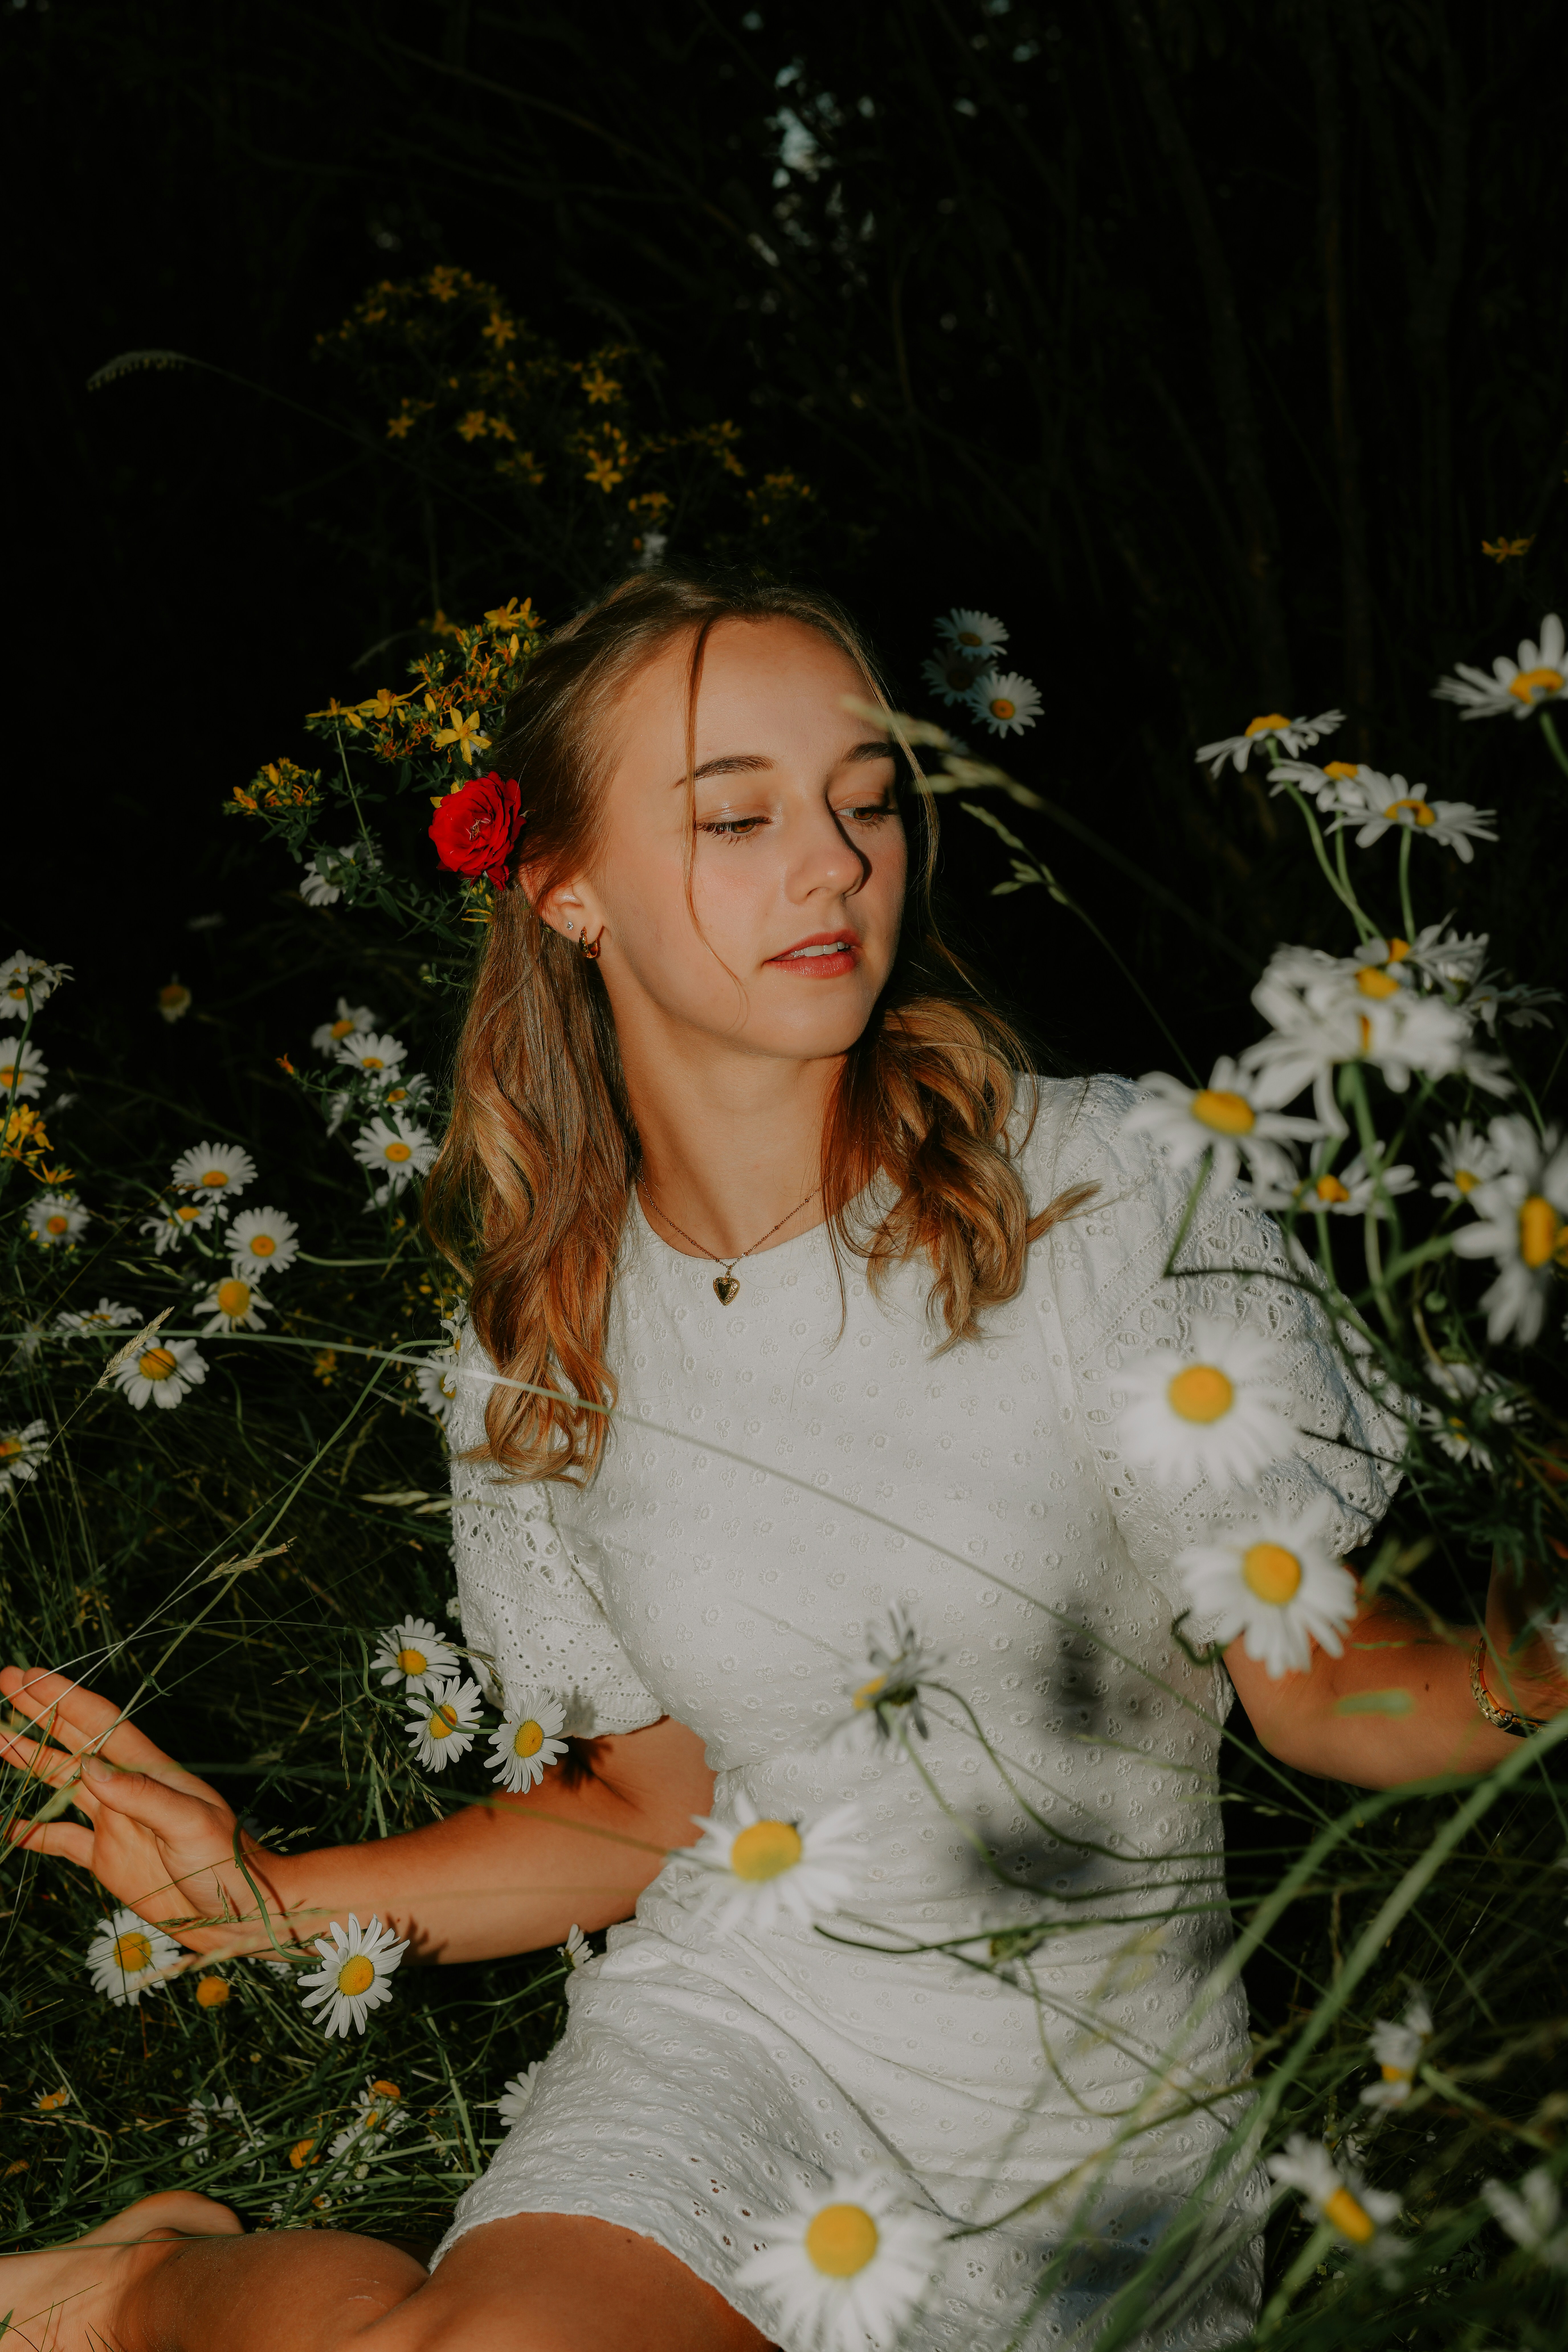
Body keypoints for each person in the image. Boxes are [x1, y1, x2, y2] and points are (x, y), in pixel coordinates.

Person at [1, 573, 1562, 2352]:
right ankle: (139, 2289)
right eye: (737, 815)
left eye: (870, 799)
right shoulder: (544, 1338)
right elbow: (642, 1825)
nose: (834, 864)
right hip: (742, 2057)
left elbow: (1337, 1690)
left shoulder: (1107, 1195)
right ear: (564, 889)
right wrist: (265, 1903)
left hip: (1092, 2155)